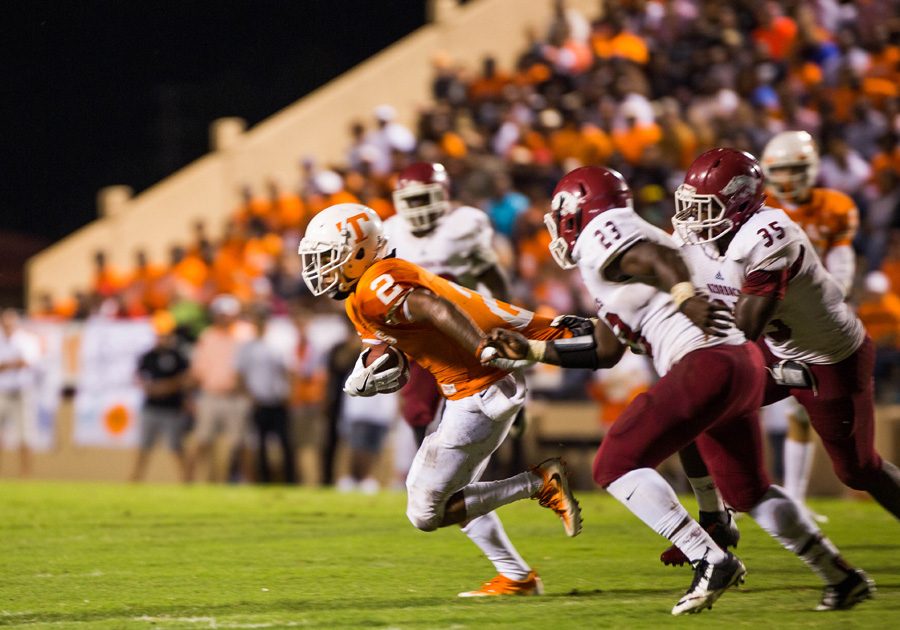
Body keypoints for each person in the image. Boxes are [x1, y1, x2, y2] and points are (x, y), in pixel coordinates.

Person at [484, 166, 871, 614]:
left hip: (705, 362)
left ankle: (709, 557)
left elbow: (654, 258)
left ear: (577, 213)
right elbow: (607, 349)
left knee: (615, 462)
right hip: (738, 363)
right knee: (749, 492)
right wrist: (531, 350)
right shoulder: (611, 261)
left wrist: (685, 295)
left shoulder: (606, 230)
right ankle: (839, 575)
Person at [298, 203, 581, 597]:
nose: (322, 267)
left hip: (479, 391)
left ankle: (538, 483)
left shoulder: (377, 282)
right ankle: (517, 577)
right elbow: (395, 350)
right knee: (445, 495)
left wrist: (480, 347)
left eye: (329, 257)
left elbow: (434, 308)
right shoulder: (360, 294)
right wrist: (371, 369)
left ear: (359, 251)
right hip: (471, 391)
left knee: (426, 512)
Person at [672, 147, 900, 524]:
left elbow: (743, 333)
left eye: (705, 208)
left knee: (858, 470)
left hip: (826, 355)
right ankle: (714, 515)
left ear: (739, 205)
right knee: (694, 403)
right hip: (776, 348)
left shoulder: (770, 235)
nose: (693, 218)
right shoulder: (697, 240)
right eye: (691, 206)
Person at [760, 130, 860, 519]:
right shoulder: (760, 208)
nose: (785, 179)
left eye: (793, 169)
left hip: (810, 316)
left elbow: (842, 263)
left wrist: (829, 299)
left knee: (801, 410)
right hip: (764, 315)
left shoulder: (834, 206)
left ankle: (795, 497)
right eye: (779, 170)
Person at [386, 162, 511, 446]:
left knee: (473, 407)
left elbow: (493, 277)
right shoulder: (390, 231)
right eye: (410, 200)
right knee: (417, 408)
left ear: (442, 193)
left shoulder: (465, 223)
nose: (416, 206)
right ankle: (429, 467)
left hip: (464, 329)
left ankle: (476, 471)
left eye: (422, 198)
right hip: (420, 336)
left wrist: (503, 318)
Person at [186, 294, 250, 482]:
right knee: (201, 440)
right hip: (211, 395)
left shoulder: (244, 334)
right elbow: (197, 371)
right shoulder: (207, 336)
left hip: (235, 396)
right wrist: (190, 396)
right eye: (222, 314)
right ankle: (188, 481)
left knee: (240, 443)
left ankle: (251, 483)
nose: (225, 318)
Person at [236, 310, 297, 484]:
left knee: (284, 441)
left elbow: (288, 371)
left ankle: (289, 479)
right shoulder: (247, 348)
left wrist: (289, 393)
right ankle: (263, 479)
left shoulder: (277, 346)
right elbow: (240, 375)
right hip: (259, 401)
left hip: (278, 399)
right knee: (260, 443)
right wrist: (249, 396)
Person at [130, 310, 190, 482]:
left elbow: (184, 379)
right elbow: (140, 379)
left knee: (176, 448)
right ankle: (135, 480)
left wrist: (165, 387)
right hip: (151, 408)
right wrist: (155, 388)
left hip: (172, 409)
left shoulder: (177, 356)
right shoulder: (147, 356)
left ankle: (186, 480)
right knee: (143, 447)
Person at [0, 309, 40, 476]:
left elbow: (27, 362)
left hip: (22, 391)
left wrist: (6, 365)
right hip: (2, 391)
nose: (8, 327)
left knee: (25, 435)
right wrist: (14, 363)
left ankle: (26, 474)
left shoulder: (25, 339)